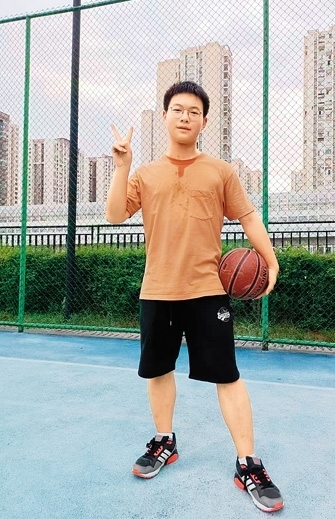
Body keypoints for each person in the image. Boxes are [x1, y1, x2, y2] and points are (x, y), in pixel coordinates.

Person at [105, 81, 284, 513]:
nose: (185, 116)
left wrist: (270, 259)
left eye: (193, 111)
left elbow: (248, 216)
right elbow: (113, 215)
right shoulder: (146, 174)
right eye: (177, 109)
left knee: (227, 376)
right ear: (165, 116)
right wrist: (122, 166)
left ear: (204, 121)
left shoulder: (220, 171)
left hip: (207, 290)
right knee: (158, 370)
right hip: (158, 289)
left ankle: (248, 463)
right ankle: (164, 441)